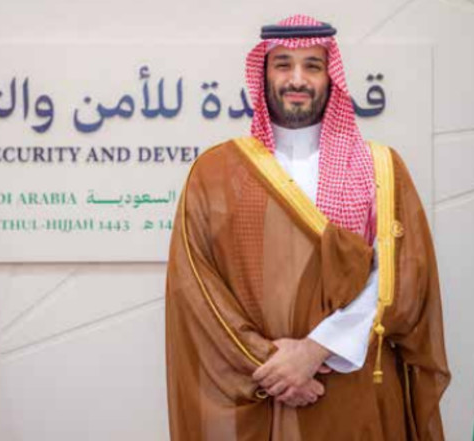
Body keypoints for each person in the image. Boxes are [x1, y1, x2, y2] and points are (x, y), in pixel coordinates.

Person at [165, 14, 450, 441]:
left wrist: (315, 350)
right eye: (283, 64)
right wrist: (273, 365)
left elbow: (401, 278)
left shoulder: (380, 168)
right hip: (259, 390)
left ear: (330, 76)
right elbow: (198, 292)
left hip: (355, 396)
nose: (297, 79)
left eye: (312, 66)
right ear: (263, 74)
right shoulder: (215, 173)